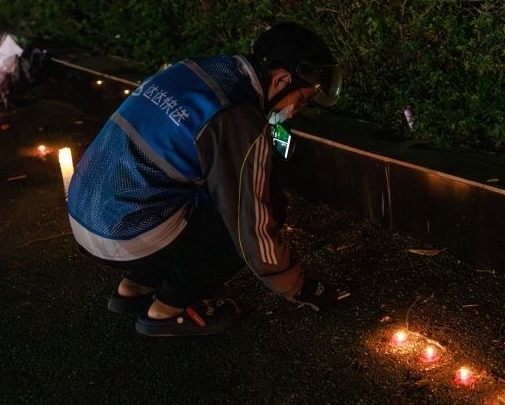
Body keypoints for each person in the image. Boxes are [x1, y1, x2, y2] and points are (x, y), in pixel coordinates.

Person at [67, 22, 351, 336]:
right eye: (303, 98)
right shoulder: (237, 118)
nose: (296, 110)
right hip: (125, 234)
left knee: (193, 189)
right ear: (283, 79)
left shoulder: (201, 69)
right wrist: (294, 284)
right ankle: (168, 309)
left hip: (87, 211)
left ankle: (134, 287)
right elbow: (249, 219)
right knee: (259, 205)